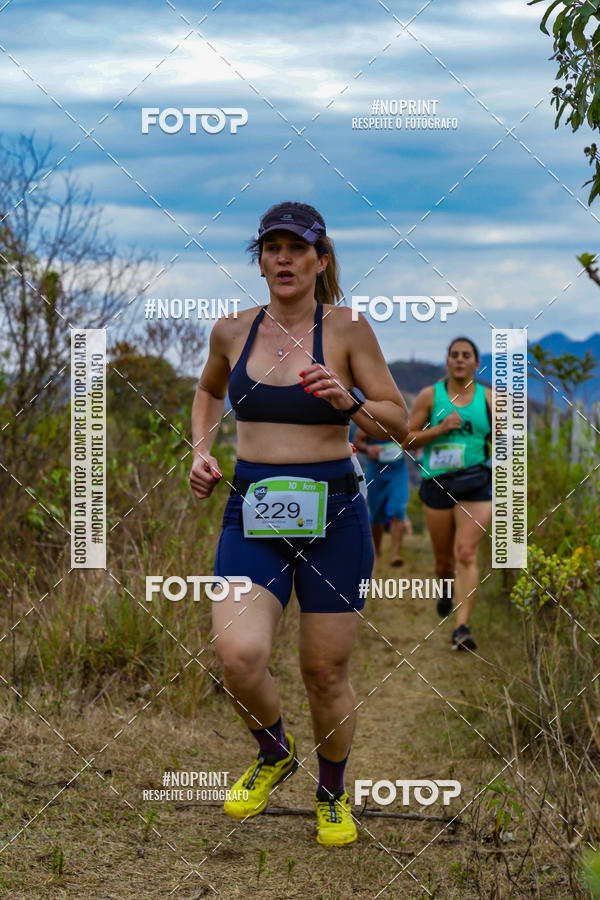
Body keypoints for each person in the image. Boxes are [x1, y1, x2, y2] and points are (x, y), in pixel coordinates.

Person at [189, 202, 408, 846]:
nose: (283, 258)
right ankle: (274, 752)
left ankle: (332, 793)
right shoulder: (231, 331)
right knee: (239, 656)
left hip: (335, 515)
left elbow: (398, 421)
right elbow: (208, 392)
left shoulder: (348, 330)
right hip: (252, 509)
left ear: (321, 258)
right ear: (259, 261)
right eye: (272, 248)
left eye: (297, 247)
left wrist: (351, 401)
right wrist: (201, 451)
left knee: (324, 672)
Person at [403, 337, 492, 651]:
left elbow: (506, 445)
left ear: (476, 363)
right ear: (447, 362)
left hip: (476, 483)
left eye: (466, 355)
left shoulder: (489, 399)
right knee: (443, 562)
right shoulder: (430, 396)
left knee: (465, 553)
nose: (459, 360)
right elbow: (407, 440)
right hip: (437, 484)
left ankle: (462, 628)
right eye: (454, 355)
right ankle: (445, 588)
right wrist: (440, 428)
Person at [352, 428, 408, 566]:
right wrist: (369, 449)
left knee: (398, 509)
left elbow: (413, 436)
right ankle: (377, 552)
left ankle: (395, 554)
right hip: (376, 471)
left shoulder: (401, 421)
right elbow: (357, 440)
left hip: (398, 471)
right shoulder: (372, 422)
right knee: (377, 515)